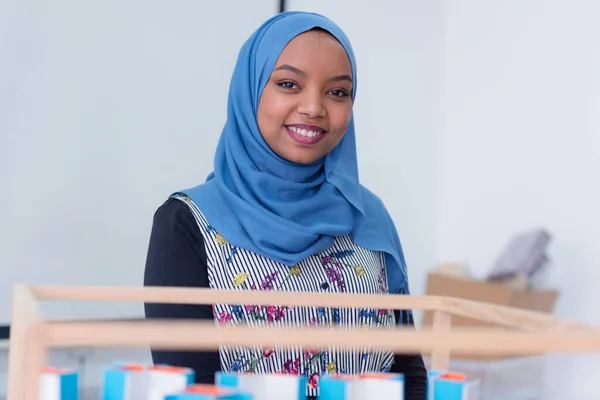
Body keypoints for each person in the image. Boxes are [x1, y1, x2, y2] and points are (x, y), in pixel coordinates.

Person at [143, 10, 427, 399]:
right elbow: (190, 384)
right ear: (251, 89)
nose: (314, 107)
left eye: (338, 91)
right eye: (289, 84)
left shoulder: (368, 216)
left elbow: (407, 370)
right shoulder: (187, 223)